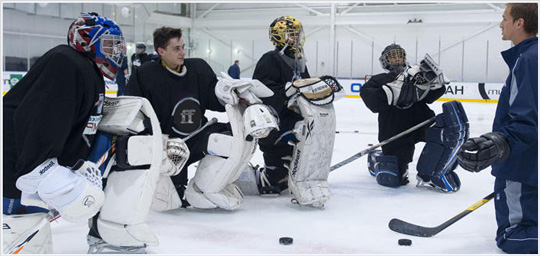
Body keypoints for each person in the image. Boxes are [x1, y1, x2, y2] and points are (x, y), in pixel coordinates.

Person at [3, 12, 128, 253]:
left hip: (29, 169)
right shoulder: (67, 63)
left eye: (117, 45)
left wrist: (78, 163)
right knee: (18, 231)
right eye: (109, 44)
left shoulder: (88, 71)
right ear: (87, 42)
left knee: (34, 231)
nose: (116, 51)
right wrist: (42, 168)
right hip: (18, 169)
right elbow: (36, 117)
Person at [126, 27, 277, 211]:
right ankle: (178, 186)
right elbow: (135, 112)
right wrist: (153, 140)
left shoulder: (197, 67)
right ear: (161, 51)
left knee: (233, 140)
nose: (182, 52)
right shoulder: (144, 75)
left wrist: (231, 96)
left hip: (198, 136)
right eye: (176, 48)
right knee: (169, 204)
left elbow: (213, 100)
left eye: (183, 47)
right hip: (169, 146)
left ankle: (206, 188)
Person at [458, 3, 537, 254]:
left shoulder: (528, 60)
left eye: (505, 18)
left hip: (521, 168)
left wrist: (500, 143)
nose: (500, 24)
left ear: (519, 23)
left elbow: (527, 120)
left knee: (512, 235)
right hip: (531, 164)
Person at [248, 16, 342, 208]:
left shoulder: (298, 60)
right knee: (276, 183)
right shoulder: (270, 59)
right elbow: (261, 93)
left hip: (293, 118)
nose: (296, 38)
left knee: (312, 130)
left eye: (297, 34)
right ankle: (270, 175)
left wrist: (320, 86)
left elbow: (303, 88)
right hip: (275, 123)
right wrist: (284, 91)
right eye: (291, 35)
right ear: (278, 37)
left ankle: (299, 172)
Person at [360, 43, 468, 192]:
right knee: (392, 178)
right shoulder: (379, 80)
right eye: (393, 56)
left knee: (445, 135)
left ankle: (431, 173)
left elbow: (430, 97)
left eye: (400, 55)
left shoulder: (416, 75)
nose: (397, 58)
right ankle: (376, 159)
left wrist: (436, 84)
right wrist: (392, 93)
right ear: (385, 61)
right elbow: (373, 102)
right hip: (394, 131)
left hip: (422, 122)